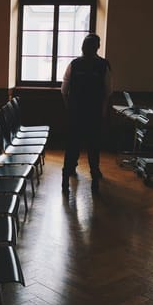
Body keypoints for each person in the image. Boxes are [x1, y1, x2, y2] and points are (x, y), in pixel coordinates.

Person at [60, 33, 112, 194]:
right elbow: (108, 91)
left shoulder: (74, 64)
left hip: (76, 112)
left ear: (83, 46)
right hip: (94, 113)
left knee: (72, 145)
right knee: (93, 145)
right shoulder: (104, 65)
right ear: (98, 47)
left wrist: (69, 107)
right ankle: (94, 176)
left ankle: (66, 176)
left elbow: (64, 90)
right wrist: (102, 110)